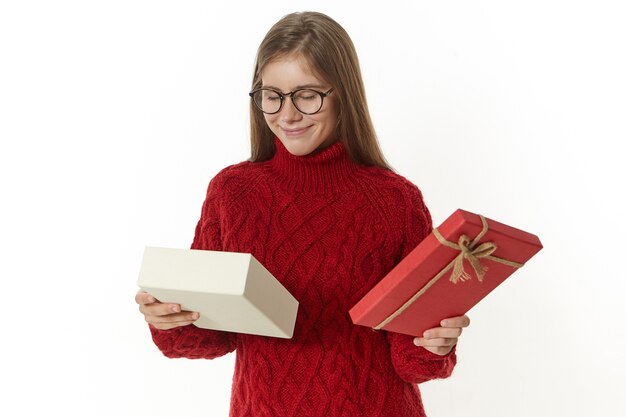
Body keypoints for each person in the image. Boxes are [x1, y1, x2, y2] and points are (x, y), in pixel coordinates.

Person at [136, 11, 470, 417]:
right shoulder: (233, 193)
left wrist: (436, 343)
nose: (286, 114)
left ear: (343, 94)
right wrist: (169, 318)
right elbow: (214, 337)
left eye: (307, 95)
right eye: (272, 95)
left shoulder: (396, 201)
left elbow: (410, 361)